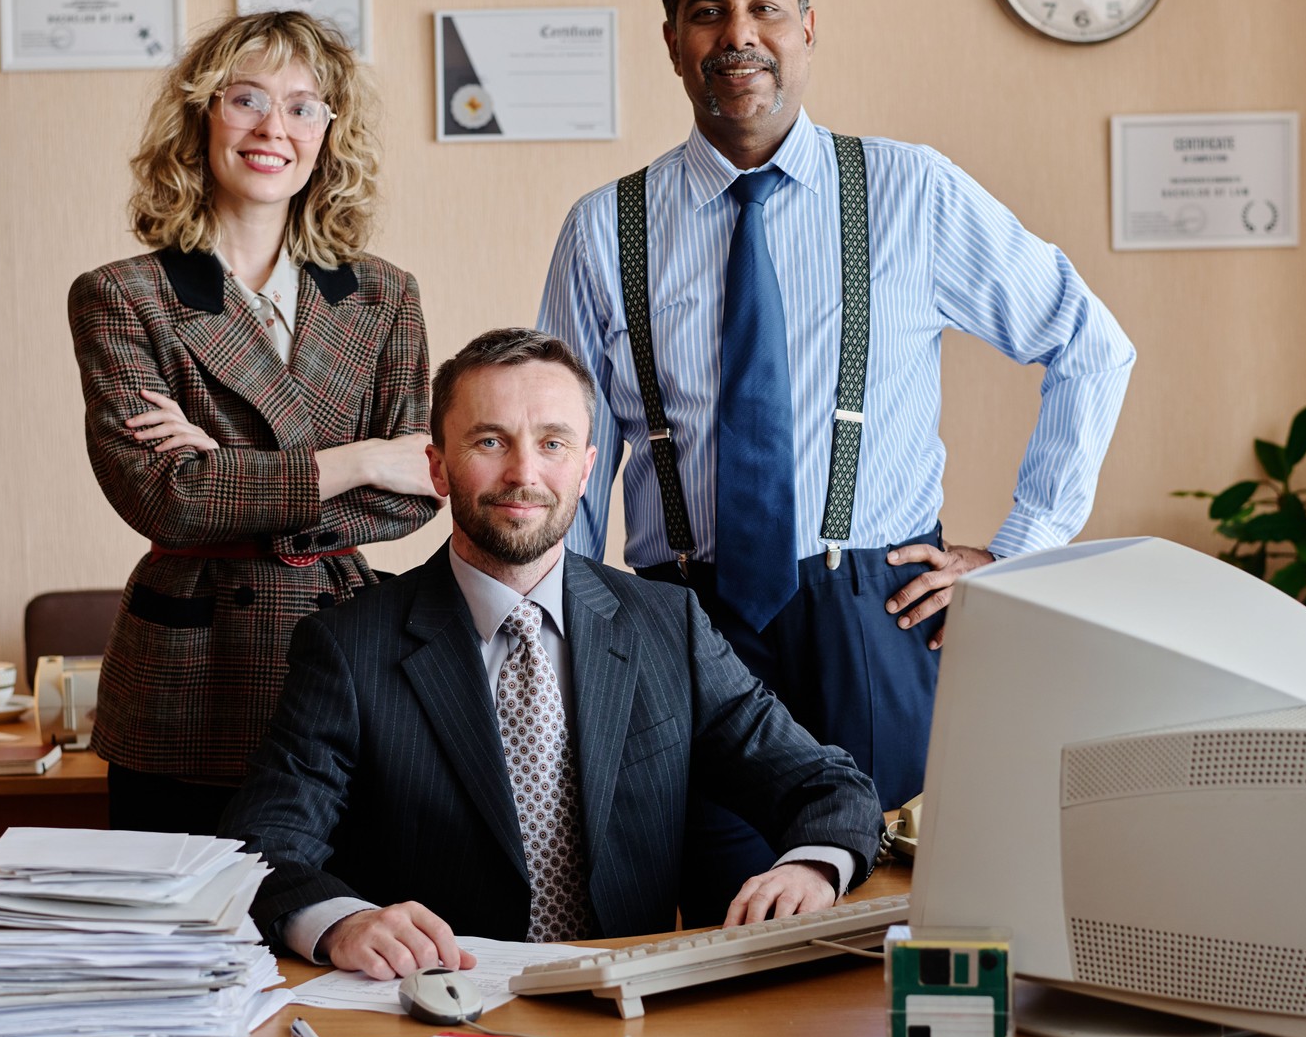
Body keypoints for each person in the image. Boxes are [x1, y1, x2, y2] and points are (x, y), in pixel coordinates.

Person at [537, 0, 1137, 923]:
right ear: (674, 41)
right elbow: (567, 451)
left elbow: (1089, 344)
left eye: (765, 6)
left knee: (903, 912)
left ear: (807, 29)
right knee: (716, 920)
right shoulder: (607, 228)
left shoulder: (912, 190)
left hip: (876, 608)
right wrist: (571, 629)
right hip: (683, 618)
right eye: (707, 12)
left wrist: (1018, 551)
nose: (738, 34)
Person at [224, 328, 882, 977]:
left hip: (621, 1019)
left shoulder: (667, 624)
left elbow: (826, 785)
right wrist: (344, 921)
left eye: (552, 444)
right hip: (441, 1012)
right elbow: (266, 848)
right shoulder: (347, 646)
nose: (523, 474)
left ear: (588, 468)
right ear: (438, 467)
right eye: (490, 441)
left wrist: (813, 865)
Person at [69, 10, 441, 834]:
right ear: (201, 115)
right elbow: (166, 501)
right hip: (191, 674)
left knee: (341, 932)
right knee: (181, 942)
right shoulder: (121, 295)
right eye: (247, 99)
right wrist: (360, 458)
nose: (276, 128)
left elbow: (416, 489)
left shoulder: (384, 294)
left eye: (305, 107)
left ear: (328, 135)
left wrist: (227, 475)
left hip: (345, 647)